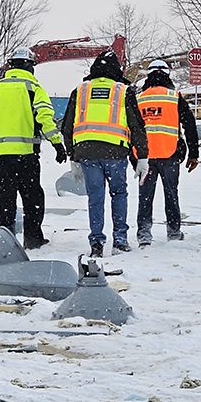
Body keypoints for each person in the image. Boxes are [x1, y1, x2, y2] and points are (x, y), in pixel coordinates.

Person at [0, 46, 67, 249]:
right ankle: (33, 239)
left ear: (11, 65)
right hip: (26, 156)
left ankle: (5, 238)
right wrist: (57, 144)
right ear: (30, 65)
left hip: (0, 156)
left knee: (4, 199)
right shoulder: (33, 87)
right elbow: (45, 118)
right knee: (32, 197)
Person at [62, 49, 148, 257]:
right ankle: (120, 240)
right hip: (115, 152)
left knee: (95, 197)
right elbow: (137, 126)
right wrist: (142, 156)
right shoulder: (123, 90)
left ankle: (97, 242)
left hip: (88, 152)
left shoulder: (80, 90)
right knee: (118, 193)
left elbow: (67, 126)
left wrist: (72, 155)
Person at [135, 59, 199, 245]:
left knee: (145, 197)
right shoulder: (174, 96)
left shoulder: (139, 98)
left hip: (145, 157)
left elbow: (132, 129)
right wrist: (193, 153)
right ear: (167, 74)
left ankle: (144, 235)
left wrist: (134, 156)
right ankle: (174, 232)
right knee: (171, 194)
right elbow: (189, 125)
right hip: (170, 154)